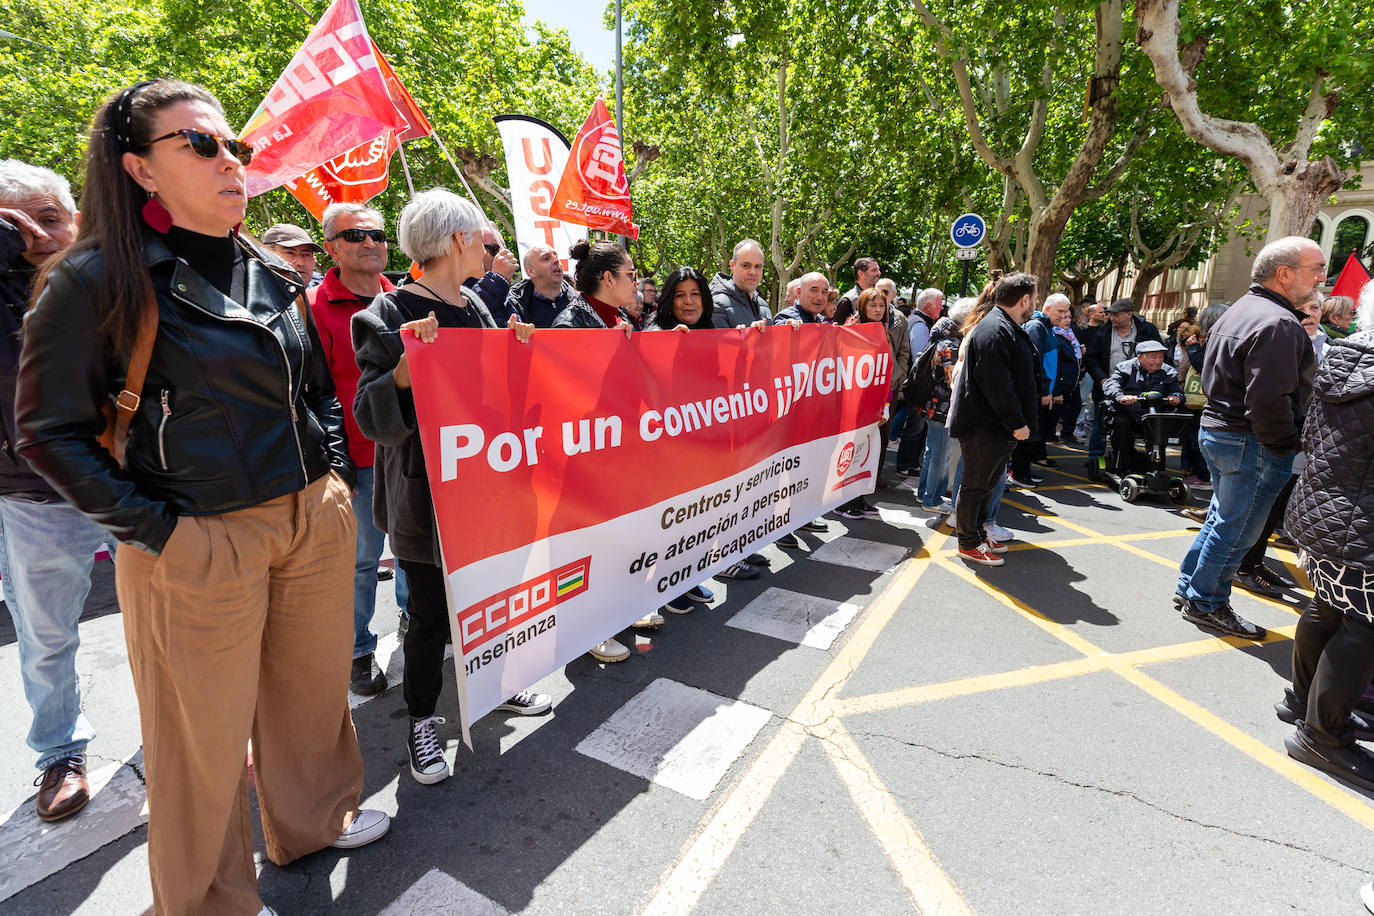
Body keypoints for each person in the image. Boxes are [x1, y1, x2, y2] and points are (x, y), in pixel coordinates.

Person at [16, 78, 387, 914]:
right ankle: (209, 900)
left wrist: (326, 472)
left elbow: (315, 387)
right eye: (201, 144)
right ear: (141, 170)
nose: (232, 162)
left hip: (310, 519)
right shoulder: (93, 279)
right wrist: (159, 532)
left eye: (237, 147)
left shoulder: (266, 264)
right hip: (195, 540)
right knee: (200, 743)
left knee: (309, 700)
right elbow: (46, 433)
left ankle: (314, 822)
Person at [352, 189, 551, 787]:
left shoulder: (480, 309)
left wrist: (520, 355)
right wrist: (404, 376)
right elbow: (370, 416)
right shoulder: (385, 317)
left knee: (495, 596)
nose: (490, 250)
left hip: (486, 487)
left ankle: (496, 686)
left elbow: (503, 399)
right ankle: (422, 721)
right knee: (431, 617)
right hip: (425, 499)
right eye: (482, 240)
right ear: (457, 241)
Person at [0, 160, 112, 823]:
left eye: (49, 218)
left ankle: (186, 735)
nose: (37, 235)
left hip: (135, 482)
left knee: (170, 625)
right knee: (46, 640)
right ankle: (60, 754)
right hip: (35, 499)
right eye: (16, 221)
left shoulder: (104, 284)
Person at [1174, 237, 1320, 639]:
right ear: (1284, 273)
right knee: (1236, 528)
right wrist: (1285, 443)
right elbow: (1268, 398)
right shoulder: (1278, 321)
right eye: (1317, 268)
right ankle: (1206, 602)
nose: (1322, 277)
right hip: (1248, 439)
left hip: (1223, 430)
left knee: (1224, 519)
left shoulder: (1243, 310)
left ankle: (1191, 587)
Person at [309, 203, 409, 695]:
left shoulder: (405, 300)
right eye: (355, 235)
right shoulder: (314, 306)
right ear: (331, 247)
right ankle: (358, 651)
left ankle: (415, 623)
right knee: (362, 563)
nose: (370, 242)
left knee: (414, 554)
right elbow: (314, 390)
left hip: (410, 453)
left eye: (377, 233)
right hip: (356, 462)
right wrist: (334, 458)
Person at [1279, 280, 1374, 791]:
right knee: (1363, 626)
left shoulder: (1343, 356)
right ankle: (1322, 733)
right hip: (1359, 523)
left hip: (1324, 513)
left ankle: (1303, 699)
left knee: (1330, 606)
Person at [946, 272, 1040, 566]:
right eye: (1035, 298)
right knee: (975, 485)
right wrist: (1016, 422)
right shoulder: (994, 328)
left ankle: (975, 534)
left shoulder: (1005, 326)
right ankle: (968, 543)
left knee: (985, 485)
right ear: (1024, 299)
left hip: (994, 427)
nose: (1035, 303)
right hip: (984, 427)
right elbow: (997, 383)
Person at [770, 272, 831, 548]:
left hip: (810, 409)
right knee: (783, 472)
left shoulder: (821, 323)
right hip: (787, 412)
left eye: (824, 292)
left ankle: (800, 516)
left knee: (805, 467)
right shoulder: (786, 320)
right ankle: (777, 526)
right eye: (814, 291)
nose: (819, 297)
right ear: (798, 293)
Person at [835, 288, 897, 519]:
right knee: (850, 452)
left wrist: (886, 404)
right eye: (873, 305)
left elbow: (885, 369)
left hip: (875, 404)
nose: (879, 310)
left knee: (866, 454)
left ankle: (860, 499)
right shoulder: (851, 330)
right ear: (862, 306)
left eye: (882, 306)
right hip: (853, 404)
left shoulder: (883, 331)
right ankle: (843, 502)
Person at [913, 297, 974, 513]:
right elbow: (953, 381)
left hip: (933, 405)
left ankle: (925, 494)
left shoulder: (940, 338)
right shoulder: (951, 345)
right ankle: (932, 499)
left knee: (933, 452)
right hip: (942, 407)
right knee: (940, 454)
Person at [1084, 299, 1163, 467]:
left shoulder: (1147, 330)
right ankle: (1094, 460)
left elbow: (1161, 357)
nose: (1112, 318)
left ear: (1129, 314)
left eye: (1117, 315)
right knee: (1101, 421)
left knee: (1141, 424)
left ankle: (1143, 461)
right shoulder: (1104, 331)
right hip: (1108, 386)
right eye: (1110, 314)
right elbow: (1091, 358)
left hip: (1140, 389)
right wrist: (1102, 379)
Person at [1010, 293, 1071, 486]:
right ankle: (1018, 473)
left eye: (1066, 312)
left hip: (1041, 390)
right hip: (1034, 391)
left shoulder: (1047, 328)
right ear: (1047, 309)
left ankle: (1024, 470)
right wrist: (1045, 391)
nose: (1063, 316)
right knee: (1027, 433)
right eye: (1060, 311)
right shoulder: (1037, 327)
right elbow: (1034, 362)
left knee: (1034, 432)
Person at [1100, 340, 1183, 472]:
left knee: (1160, 430)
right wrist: (1121, 397)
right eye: (1153, 357)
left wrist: (1176, 398)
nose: (1158, 361)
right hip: (1128, 413)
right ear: (1140, 357)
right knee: (1121, 426)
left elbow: (1176, 390)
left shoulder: (1169, 372)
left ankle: (1157, 470)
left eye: (1161, 357)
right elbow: (1110, 384)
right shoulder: (1124, 368)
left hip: (1153, 415)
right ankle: (1121, 468)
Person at [503, 244, 574, 328]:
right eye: (546, 258)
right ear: (531, 271)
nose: (556, 260)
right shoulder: (514, 305)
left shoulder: (580, 303)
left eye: (556, 255)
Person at [711, 239, 771, 328]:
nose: (753, 272)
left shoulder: (764, 306)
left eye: (758, 266)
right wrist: (748, 335)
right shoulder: (717, 306)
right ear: (732, 266)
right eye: (746, 265)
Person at [464, 223, 518, 318]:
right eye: (495, 249)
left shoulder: (508, 290)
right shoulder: (455, 286)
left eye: (505, 249)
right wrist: (497, 278)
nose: (502, 255)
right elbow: (469, 315)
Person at [260, 222, 323, 287]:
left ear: (314, 261)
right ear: (267, 256)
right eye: (290, 253)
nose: (300, 263)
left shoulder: (324, 294)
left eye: (306, 254)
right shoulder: (252, 293)